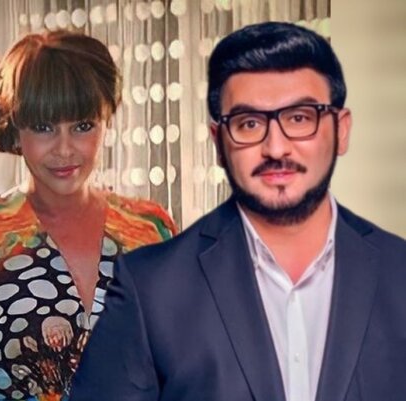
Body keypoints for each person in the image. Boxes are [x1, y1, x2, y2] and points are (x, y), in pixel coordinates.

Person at [70, 21, 406, 401]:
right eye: (249, 124)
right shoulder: (151, 289)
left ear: (341, 130)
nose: (276, 148)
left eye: (299, 118)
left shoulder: (399, 275)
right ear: (218, 142)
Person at [0, 30, 177, 401]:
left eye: (83, 126)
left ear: (106, 121)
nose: (64, 149)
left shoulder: (151, 229)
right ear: (16, 128)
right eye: (44, 128)